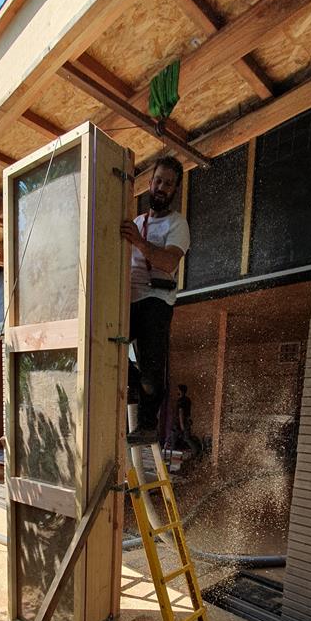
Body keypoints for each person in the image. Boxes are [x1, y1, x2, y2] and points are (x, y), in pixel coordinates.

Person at [120, 156, 190, 445]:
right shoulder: (137, 222)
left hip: (155, 300)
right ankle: (133, 384)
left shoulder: (177, 224)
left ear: (175, 190)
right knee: (105, 348)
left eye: (168, 184)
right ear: (149, 184)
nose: (162, 187)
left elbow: (167, 262)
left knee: (151, 370)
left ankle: (148, 425)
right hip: (128, 298)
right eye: (158, 181)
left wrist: (138, 241)